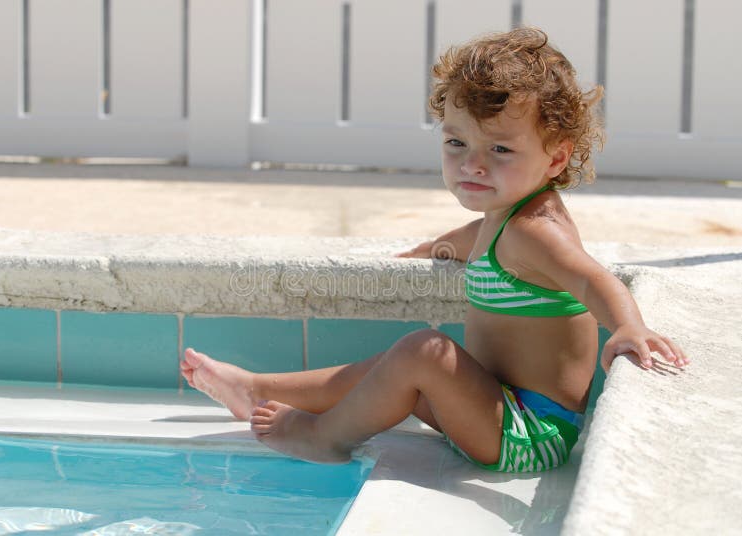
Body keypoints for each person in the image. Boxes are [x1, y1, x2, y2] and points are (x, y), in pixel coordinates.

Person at [180, 27, 688, 472]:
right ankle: (256, 388)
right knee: (388, 366)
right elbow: (472, 241)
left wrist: (628, 327)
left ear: (556, 157)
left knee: (423, 351)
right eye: (456, 143)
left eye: (500, 149)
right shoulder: (505, 217)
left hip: (530, 434)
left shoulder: (538, 230)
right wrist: (432, 249)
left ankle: (324, 437)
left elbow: (593, 279)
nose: (473, 164)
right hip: (489, 406)